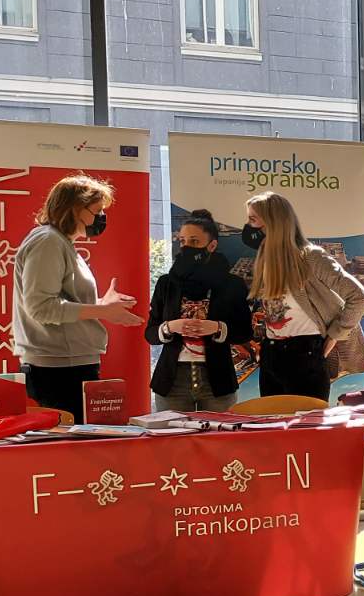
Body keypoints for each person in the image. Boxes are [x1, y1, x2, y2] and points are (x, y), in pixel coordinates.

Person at [13, 174, 145, 422]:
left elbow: (62, 303)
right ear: (74, 208)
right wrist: (103, 311)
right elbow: (41, 307)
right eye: (97, 211)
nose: (101, 217)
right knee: (74, 442)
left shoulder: (60, 243)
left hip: (69, 364)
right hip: (58, 369)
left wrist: (102, 305)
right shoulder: (48, 242)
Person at [242, 191, 364, 402]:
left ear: (273, 222)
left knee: (307, 423)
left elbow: (360, 297)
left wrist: (335, 335)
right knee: (272, 422)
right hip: (271, 354)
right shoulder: (265, 260)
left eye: (252, 219)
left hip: (306, 354)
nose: (248, 226)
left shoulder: (311, 257)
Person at [145, 209, 254, 412]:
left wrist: (218, 328)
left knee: (219, 433)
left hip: (218, 380)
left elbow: (245, 332)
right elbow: (150, 333)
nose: (186, 247)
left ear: (212, 245)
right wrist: (169, 327)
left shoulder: (232, 284)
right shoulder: (166, 283)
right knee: (171, 433)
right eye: (182, 241)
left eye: (194, 242)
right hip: (172, 381)